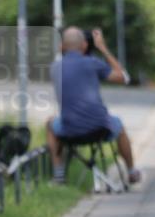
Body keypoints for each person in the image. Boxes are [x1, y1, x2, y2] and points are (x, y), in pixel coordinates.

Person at [47, 26, 142, 185]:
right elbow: (123, 78)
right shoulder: (92, 63)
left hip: (69, 130)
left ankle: (59, 175)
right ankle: (131, 171)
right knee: (119, 125)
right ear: (84, 45)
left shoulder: (55, 68)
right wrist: (102, 48)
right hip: (100, 128)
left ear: (61, 46)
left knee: (50, 123)